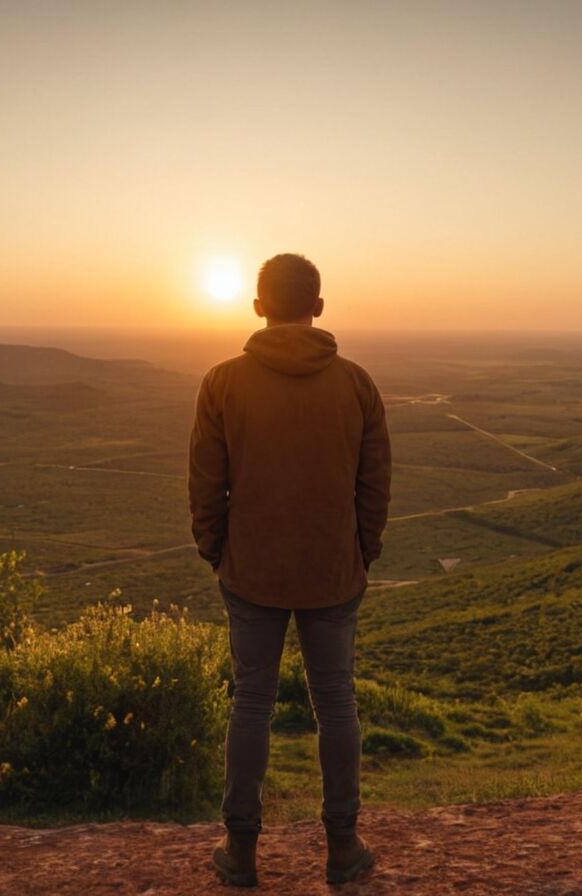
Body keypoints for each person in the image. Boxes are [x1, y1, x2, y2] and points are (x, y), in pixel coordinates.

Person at [188, 253, 392, 886]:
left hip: (251, 571)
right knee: (336, 704)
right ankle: (342, 847)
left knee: (250, 703)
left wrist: (218, 551)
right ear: (319, 306)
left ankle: (241, 850)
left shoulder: (222, 381)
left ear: (257, 306)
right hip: (333, 570)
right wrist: (360, 550)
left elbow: (205, 484)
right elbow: (374, 484)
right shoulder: (356, 383)